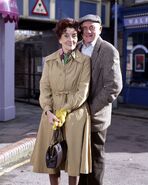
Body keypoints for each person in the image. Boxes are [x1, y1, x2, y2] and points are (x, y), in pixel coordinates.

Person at [31, 18, 92, 185]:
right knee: (52, 158)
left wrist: (65, 110)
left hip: (75, 113)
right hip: (51, 114)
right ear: (59, 39)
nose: (70, 39)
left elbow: (83, 91)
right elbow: (44, 89)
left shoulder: (85, 61)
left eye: (74, 35)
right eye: (66, 35)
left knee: (73, 161)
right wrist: (48, 111)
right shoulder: (49, 61)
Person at [78, 14, 123, 185]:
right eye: (85, 27)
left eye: (92, 27)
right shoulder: (77, 47)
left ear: (100, 29)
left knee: (95, 159)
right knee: (80, 158)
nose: (88, 31)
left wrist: (89, 109)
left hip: (95, 116)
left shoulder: (108, 50)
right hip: (77, 116)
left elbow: (114, 86)